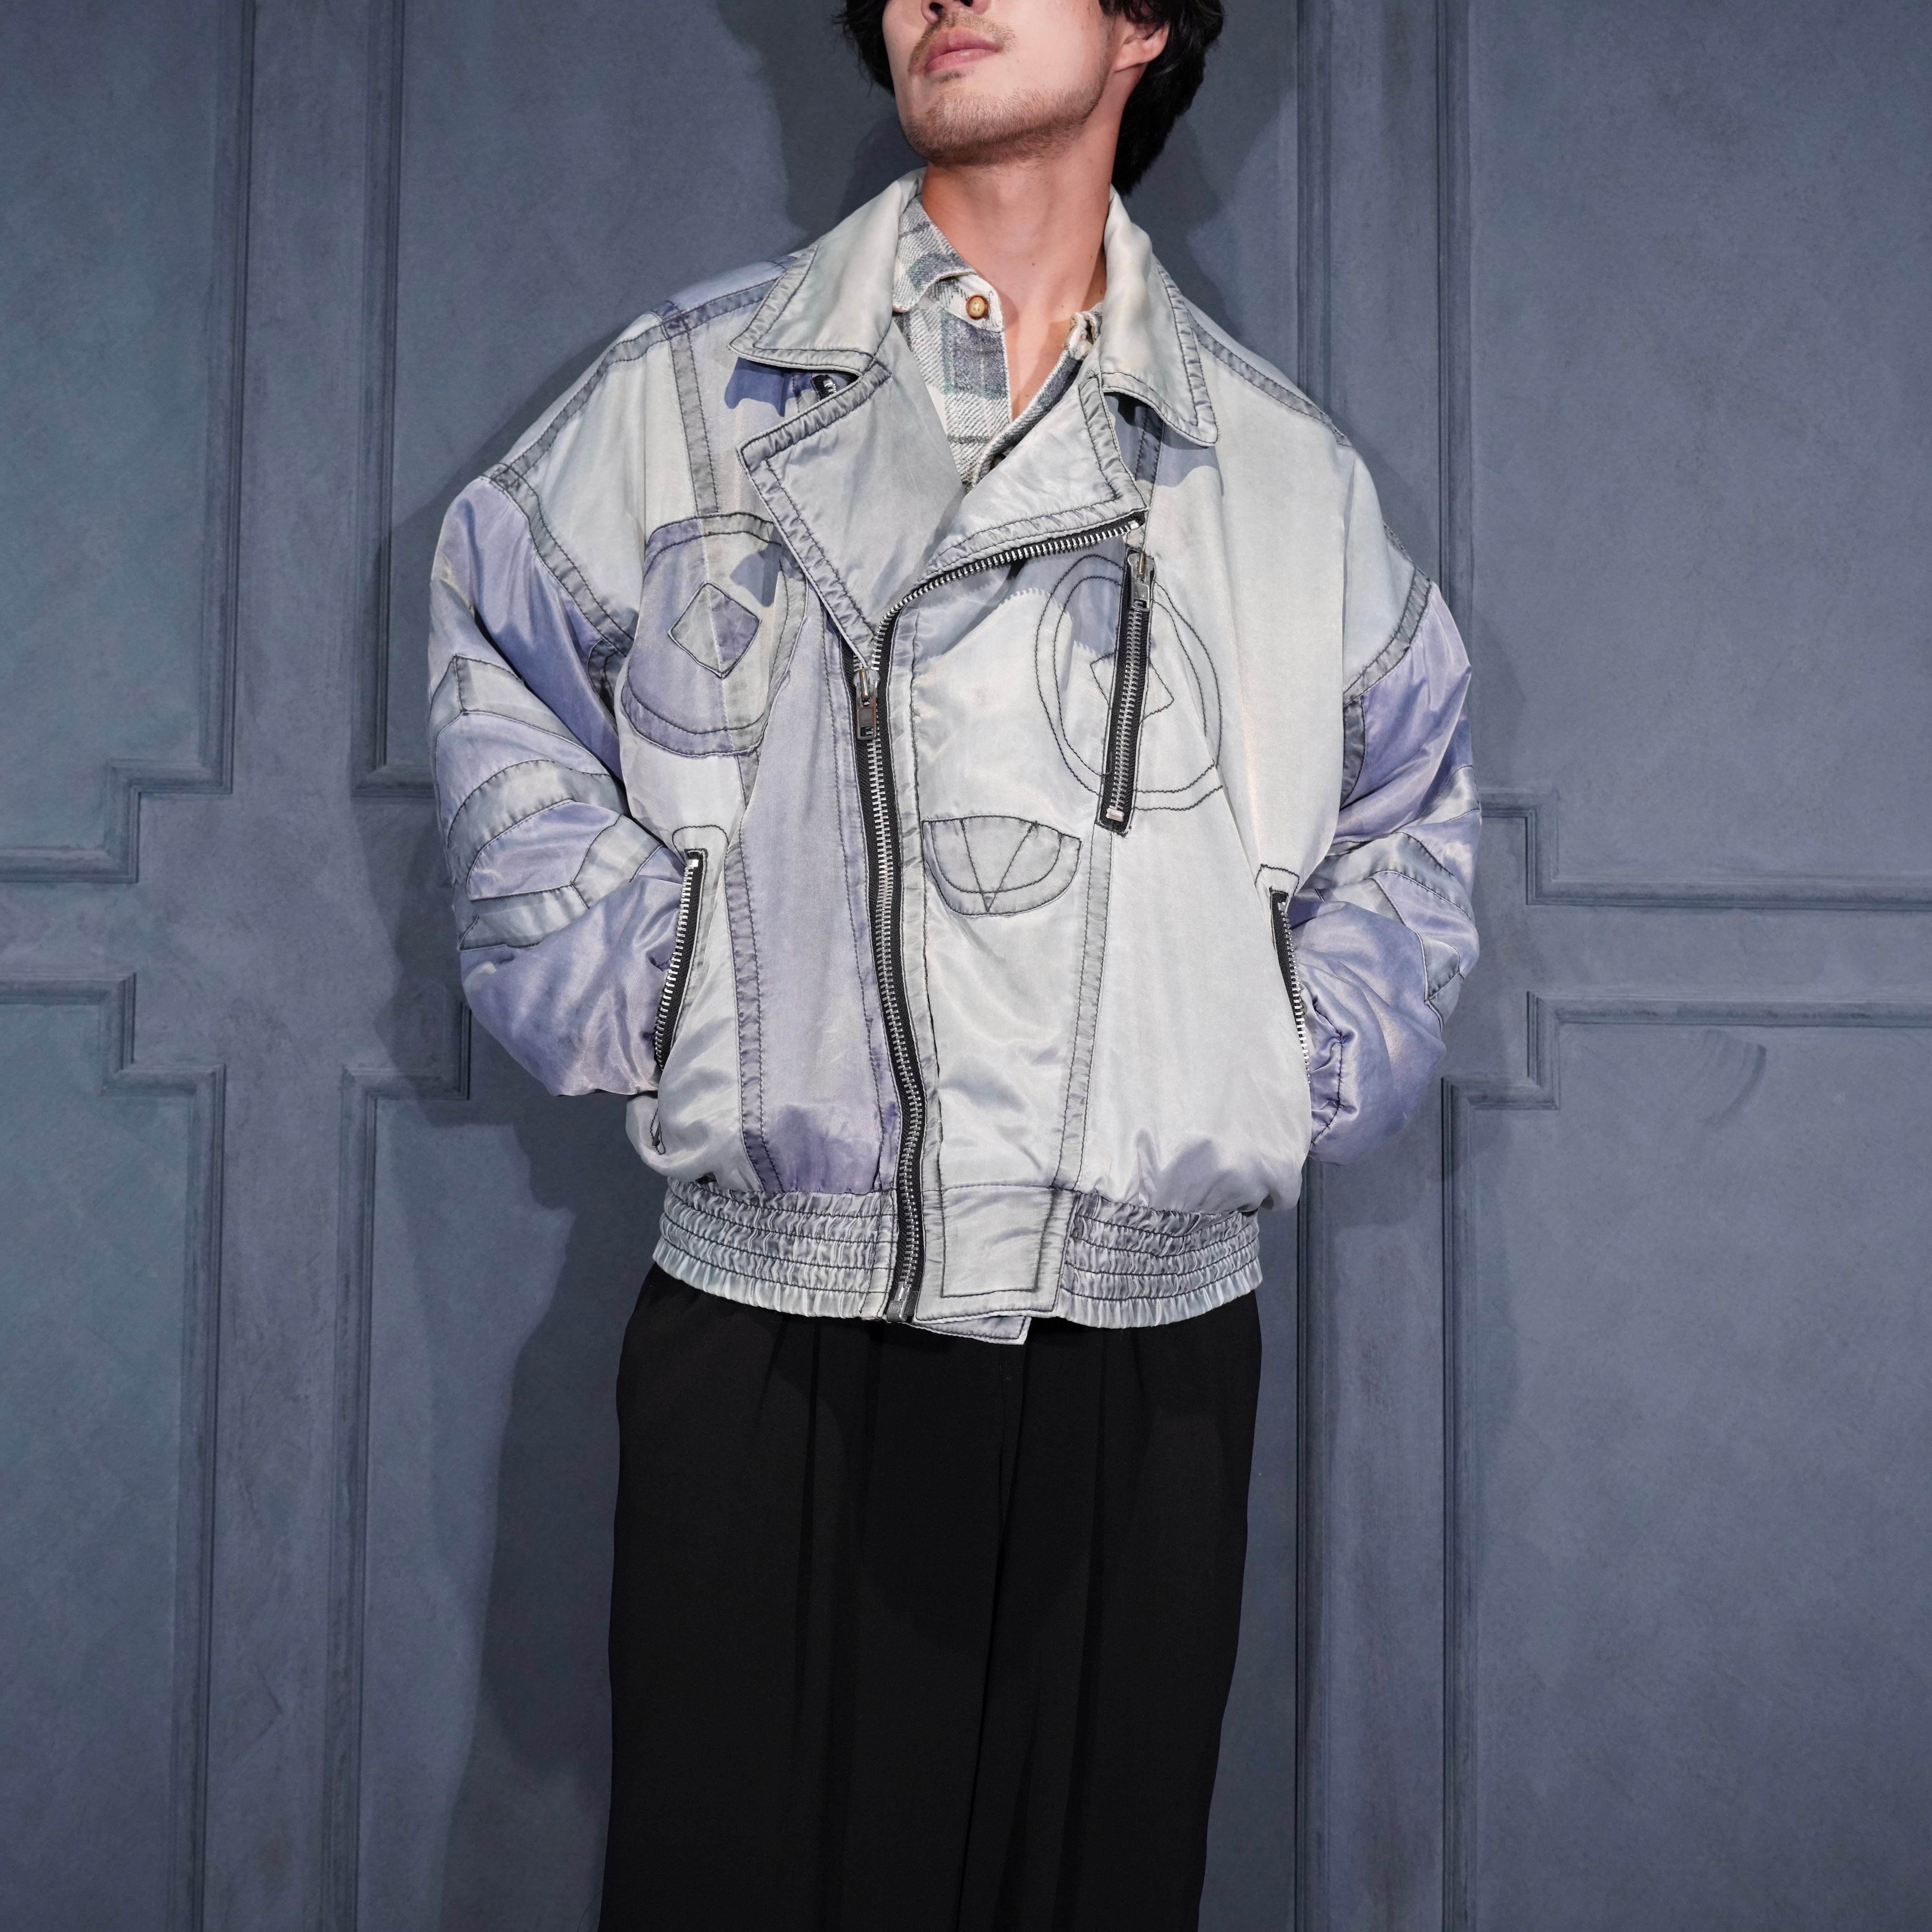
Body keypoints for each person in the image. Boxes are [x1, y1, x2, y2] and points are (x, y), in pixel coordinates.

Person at [426, 0, 1478, 1923]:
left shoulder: (1279, 476)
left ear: (1146, 21)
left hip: (1144, 1356)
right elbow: (500, 659)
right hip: (777, 1318)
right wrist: (684, 987)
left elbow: (1411, 819)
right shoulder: (692, 397)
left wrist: (1274, 1056)